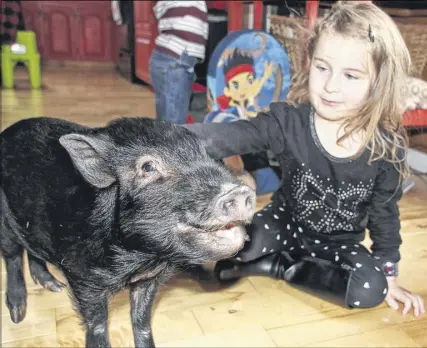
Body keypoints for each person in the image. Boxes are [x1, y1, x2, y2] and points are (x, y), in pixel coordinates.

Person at [183, 1, 425, 316]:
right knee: (234, 243)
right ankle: (266, 256)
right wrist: (170, 140)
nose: (330, 85)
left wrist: (389, 273)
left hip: (339, 245)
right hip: (285, 222)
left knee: (371, 288)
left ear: (378, 82)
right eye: (322, 67)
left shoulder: (386, 148)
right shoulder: (289, 121)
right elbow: (236, 134)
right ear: (309, 61)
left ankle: (280, 266)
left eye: (351, 75)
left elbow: (384, 215)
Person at [149, 1, 208, 124]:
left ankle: (163, 140)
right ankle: (168, 142)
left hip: (175, 59)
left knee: (169, 119)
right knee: (174, 124)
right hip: (175, 59)